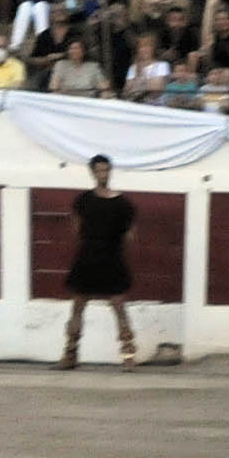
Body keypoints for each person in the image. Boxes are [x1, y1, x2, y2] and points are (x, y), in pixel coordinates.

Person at [63, 154, 139, 370]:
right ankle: (70, 355)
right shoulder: (83, 201)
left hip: (111, 257)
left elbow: (130, 235)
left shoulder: (123, 204)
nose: (103, 174)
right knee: (78, 306)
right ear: (93, 172)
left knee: (118, 307)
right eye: (99, 170)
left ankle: (128, 356)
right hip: (88, 257)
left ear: (109, 172)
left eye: (106, 170)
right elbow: (76, 228)